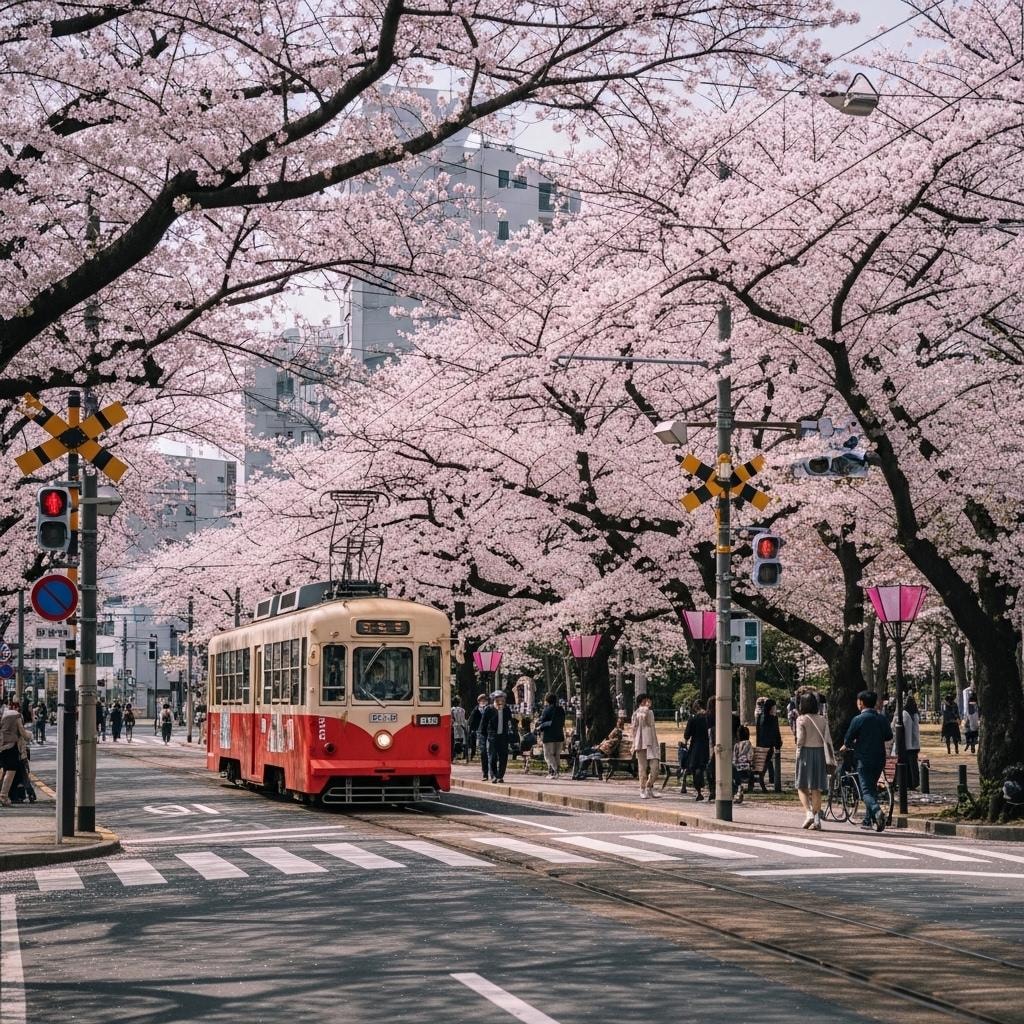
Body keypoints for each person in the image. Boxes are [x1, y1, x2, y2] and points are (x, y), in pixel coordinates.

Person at [841, 690, 892, 832]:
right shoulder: (881, 718)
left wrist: (850, 744)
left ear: (861, 703)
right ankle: (868, 820)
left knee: (866, 792)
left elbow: (848, 739)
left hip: (863, 758)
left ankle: (876, 810)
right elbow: (888, 736)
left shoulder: (858, 719)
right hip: (879, 758)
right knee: (872, 788)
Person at [795, 691, 833, 829]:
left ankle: (808, 812)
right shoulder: (822, 719)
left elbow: (800, 739)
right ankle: (817, 818)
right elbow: (827, 738)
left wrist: (798, 750)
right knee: (816, 787)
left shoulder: (801, 719)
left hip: (805, 753)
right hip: (820, 754)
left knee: (801, 785)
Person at [574, 714, 626, 779]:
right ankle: (582, 772)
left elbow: (606, 747)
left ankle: (581, 772)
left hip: (601, 752)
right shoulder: (612, 739)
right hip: (600, 750)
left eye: (619, 722)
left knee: (584, 753)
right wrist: (599, 746)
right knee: (586, 754)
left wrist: (599, 747)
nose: (611, 733)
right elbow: (605, 742)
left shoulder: (614, 739)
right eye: (618, 721)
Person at [481, 691, 517, 783]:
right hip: (492, 736)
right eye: (498, 700)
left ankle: (500, 776)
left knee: (503, 757)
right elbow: (483, 724)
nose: (501, 702)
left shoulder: (506, 709)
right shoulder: (489, 709)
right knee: (492, 757)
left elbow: (510, 722)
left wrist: (512, 731)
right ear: (494, 700)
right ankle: (493, 775)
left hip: (503, 736)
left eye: (502, 700)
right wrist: (484, 736)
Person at [0, 700, 31, 807]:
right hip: (11, 747)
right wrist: (29, 736)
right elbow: (22, 732)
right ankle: (3, 796)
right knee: (10, 771)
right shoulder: (16, 716)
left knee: (4, 770)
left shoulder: (3, 714)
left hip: (2, 746)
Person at [631, 694, 660, 799]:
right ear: (641, 702)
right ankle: (642, 789)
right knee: (642, 768)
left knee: (655, 768)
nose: (648, 702)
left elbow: (649, 723)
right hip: (640, 742)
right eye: (645, 701)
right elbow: (635, 727)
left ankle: (649, 786)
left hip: (651, 742)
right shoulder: (636, 713)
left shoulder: (650, 712)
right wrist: (634, 744)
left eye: (648, 700)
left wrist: (647, 710)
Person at [684, 701, 710, 801]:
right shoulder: (708, 717)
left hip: (695, 746)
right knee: (704, 766)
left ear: (695, 708)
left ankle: (699, 792)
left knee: (695, 767)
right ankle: (710, 789)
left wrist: (685, 742)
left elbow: (687, 734)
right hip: (706, 745)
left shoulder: (693, 719)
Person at [537, 691, 566, 778]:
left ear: (547, 701)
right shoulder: (561, 709)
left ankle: (555, 770)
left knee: (548, 755)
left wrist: (540, 727)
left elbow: (542, 722)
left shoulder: (547, 710)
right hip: (559, 735)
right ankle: (555, 772)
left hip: (549, 736)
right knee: (556, 754)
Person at [755, 698, 783, 787]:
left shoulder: (760, 717)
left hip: (761, 744)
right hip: (769, 744)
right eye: (774, 707)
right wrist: (778, 743)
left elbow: (758, 732)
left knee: (761, 764)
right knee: (766, 763)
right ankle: (764, 780)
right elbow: (776, 732)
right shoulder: (773, 718)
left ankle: (760, 781)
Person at [468, 693, 490, 779]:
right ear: (478, 701)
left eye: (485, 700)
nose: (483, 702)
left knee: (491, 753)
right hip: (480, 733)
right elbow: (471, 721)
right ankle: (485, 773)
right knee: (483, 752)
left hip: (490, 732)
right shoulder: (476, 710)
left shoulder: (490, 709)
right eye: (482, 700)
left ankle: (493, 772)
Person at [902, 694, 921, 789]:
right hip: (915, 744)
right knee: (913, 765)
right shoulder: (915, 714)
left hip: (906, 744)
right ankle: (914, 782)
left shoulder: (904, 713)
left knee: (907, 765)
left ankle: (908, 782)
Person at [732, 725, 754, 805]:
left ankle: (737, 790)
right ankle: (738, 790)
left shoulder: (736, 745)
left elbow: (734, 758)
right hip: (746, 769)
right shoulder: (748, 743)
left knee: (731, 773)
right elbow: (750, 756)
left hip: (739, 769)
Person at [450, 696, 467, 761]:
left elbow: (451, 719)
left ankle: (453, 756)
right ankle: (460, 755)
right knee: (461, 742)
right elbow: (463, 719)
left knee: (454, 742)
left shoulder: (451, 710)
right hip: (461, 727)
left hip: (454, 727)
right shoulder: (462, 710)